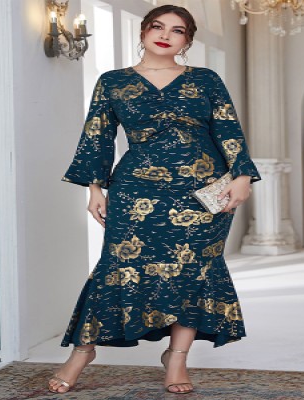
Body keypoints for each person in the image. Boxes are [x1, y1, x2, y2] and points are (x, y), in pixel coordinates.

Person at [48, 4, 261, 395]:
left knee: (193, 271)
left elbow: (228, 129)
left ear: (187, 41)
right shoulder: (113, 82)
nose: (165, 35)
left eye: (177, 30)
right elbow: (97, 136)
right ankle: (82, 352)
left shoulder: (205, 80)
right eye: (158, 27)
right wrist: (95, 189)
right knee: (116, 265)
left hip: (202, 194)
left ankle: (176, 358)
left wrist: (243, 177)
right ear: (144, 31)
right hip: (136, 192)